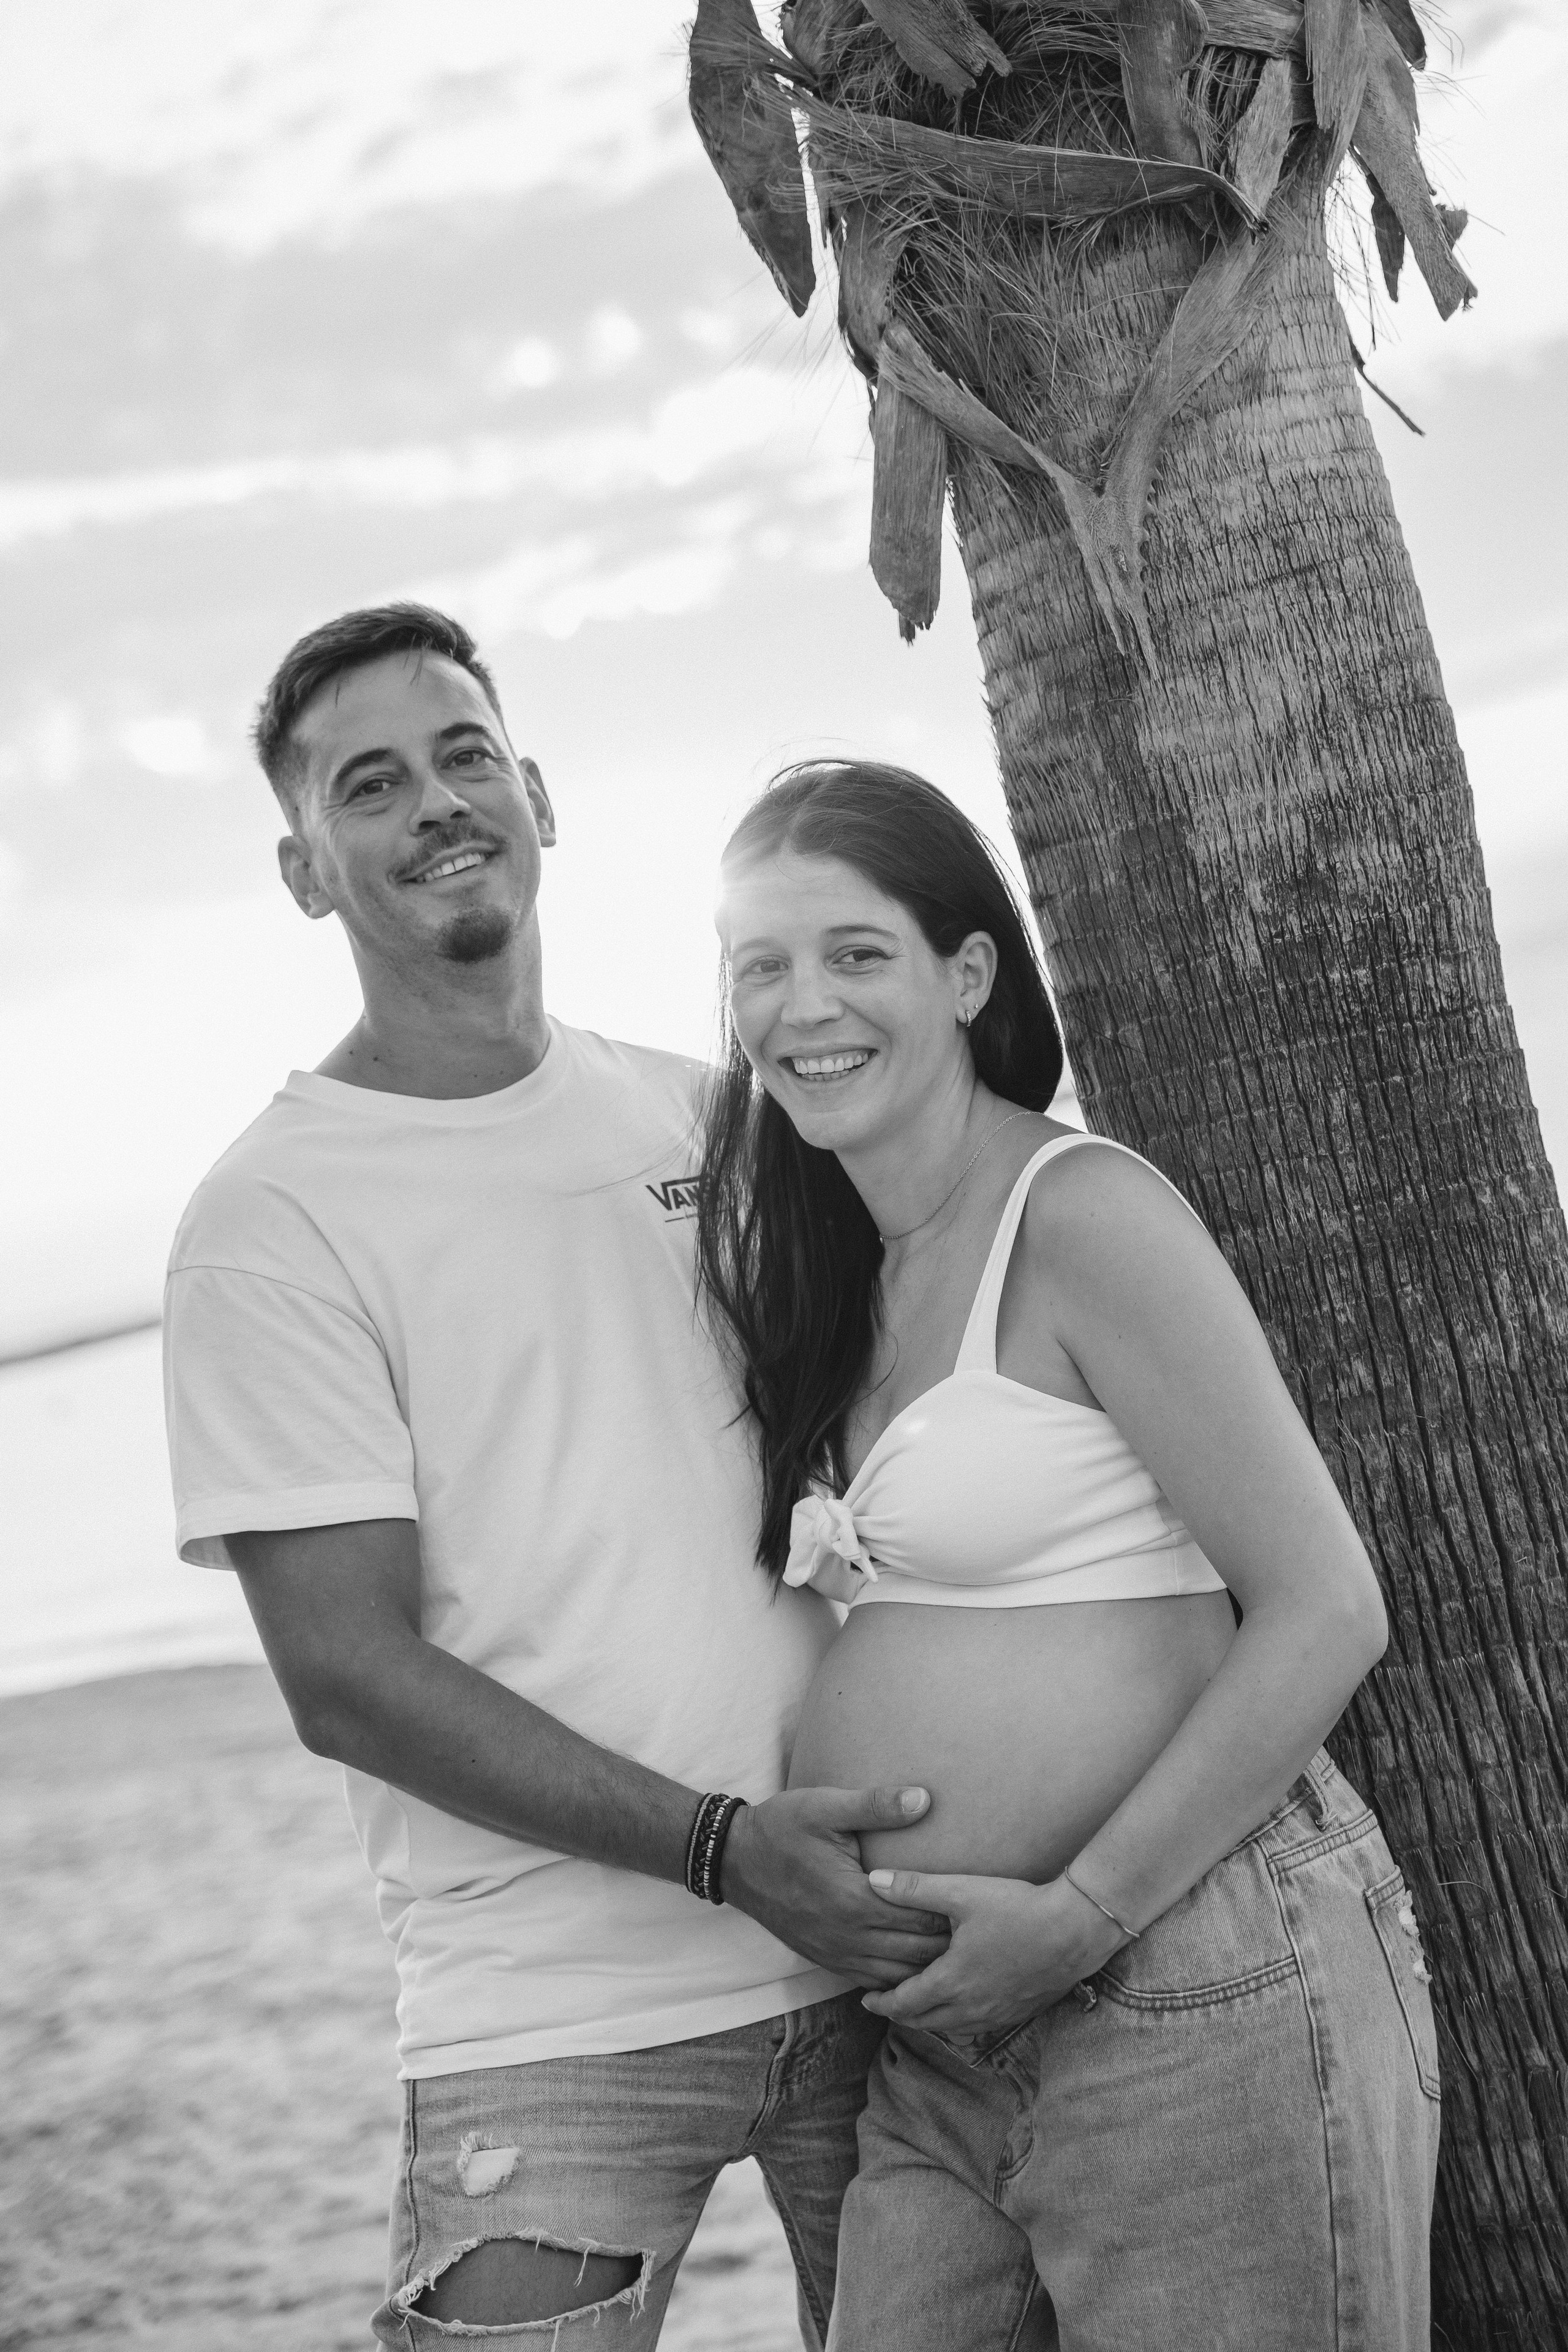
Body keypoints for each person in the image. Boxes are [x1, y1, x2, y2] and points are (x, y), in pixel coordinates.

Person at [160, 609, 951, 2350]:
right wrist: (722, 1851)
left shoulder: (715, 1120)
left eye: (462, 758)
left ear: (537, 793)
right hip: (552, 2019)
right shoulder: (272, 1221)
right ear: (307, 871)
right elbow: (349, 1678)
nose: (436, 804)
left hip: (879, 1956)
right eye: (371, 786)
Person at [698, 759, 1442, 2351]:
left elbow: (1326, 1607)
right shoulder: (836, 1272)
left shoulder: (1079, 1212)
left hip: (1181, 1983)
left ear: (968, 974)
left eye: (856, 952)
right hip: (944, 2049)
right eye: (759, 964)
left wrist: (1089, 1909)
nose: (800, 1002)